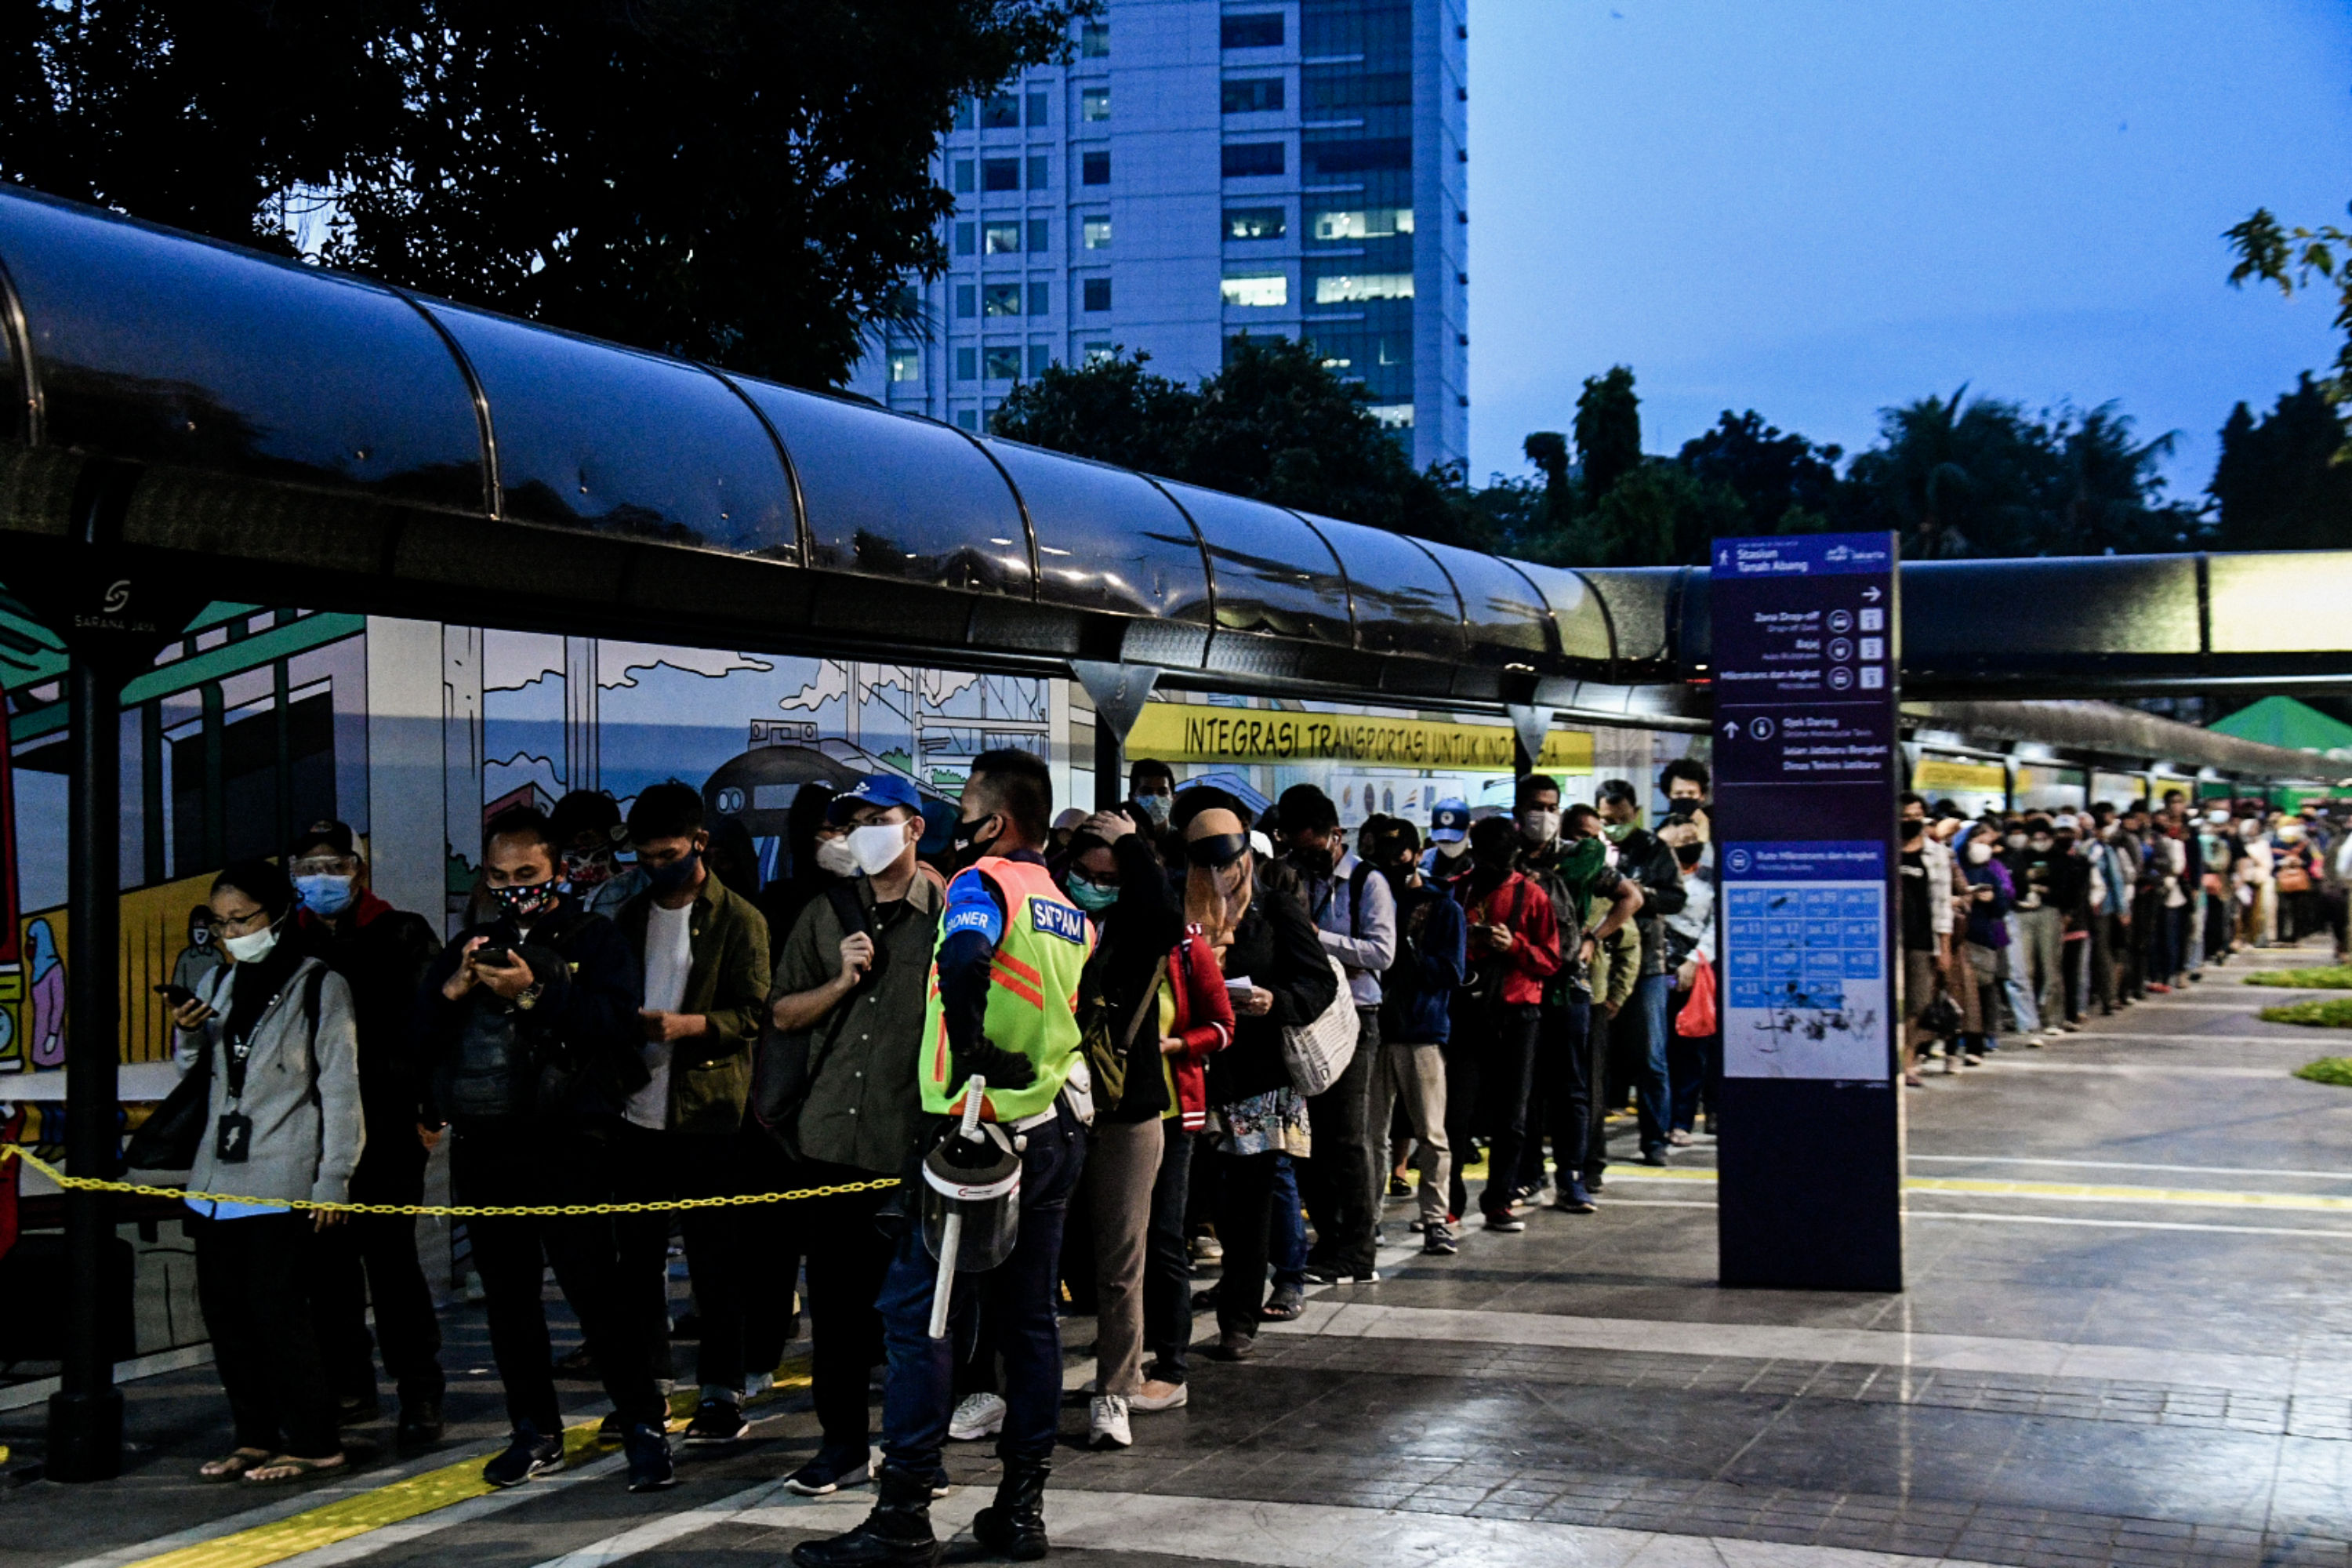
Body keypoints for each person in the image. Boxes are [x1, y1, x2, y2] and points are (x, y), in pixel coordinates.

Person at [793, 750, 1091, 1568]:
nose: (960, 820)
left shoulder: (980, 882)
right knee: (1030, 1323)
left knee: (919, 1318)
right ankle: (1020, 1509)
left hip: (973, 1133)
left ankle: (902, 1514)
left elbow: (964, 957)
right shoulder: (1065, 902)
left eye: (967, 805)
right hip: (1051, 1129)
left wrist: (969, 1049)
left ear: (995, 820)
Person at [411, 806, 673, 1494]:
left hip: (570, 1142)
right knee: (507, 1298)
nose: (513, 887)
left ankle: (642, 1423)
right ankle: (534, 1431)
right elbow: (418, 1036)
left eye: (527, 874)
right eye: (500, 876)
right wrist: (455, 987)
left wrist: (535, 992)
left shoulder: (596, 937)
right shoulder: (469, 943)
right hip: (485, 1143)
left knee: (595, 1290)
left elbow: (617, 1026)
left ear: (558, 870)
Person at [764, 772, 940, 1495]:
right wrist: (839, 983)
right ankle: (840, 1445)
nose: (862, 831)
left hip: (916, 1144)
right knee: (836, 1313)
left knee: (919, 1321)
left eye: (877, 817)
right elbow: (781, 1014)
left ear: (915, 827)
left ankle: (914, 1458)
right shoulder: (824, 914)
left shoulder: (956, 912)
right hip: (832, 1141)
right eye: (853, 821)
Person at [170, 858, 362, 1486]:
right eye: (221, 923)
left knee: (279, 1316)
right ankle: (253, 1436)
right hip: (215, 1182)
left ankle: (314, 1440)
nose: (231, 933)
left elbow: (340, 1089)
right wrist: (189, 1033)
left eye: (242, 919)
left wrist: (334, 1178)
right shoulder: (225, 982)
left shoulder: (319, 984)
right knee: (227, 1317)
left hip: (282, 1179)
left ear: (277, 914)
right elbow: (199, 1074)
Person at [1060, 808, 1232, 1449]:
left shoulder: (1143, 927)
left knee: (1124, 1257)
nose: (1094, 884)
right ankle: (1003, 1389)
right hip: (1053, 1103)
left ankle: (1115, 1391)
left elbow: (1163, 912)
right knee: (1045, 1255)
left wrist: (1134, 843)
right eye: (1084, 871)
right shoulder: (1054, 918)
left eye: (1109, 875)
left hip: (1130, 1108)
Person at [609, 782, 774, 1446]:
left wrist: (688, 1026)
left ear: (699, 843)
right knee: (638, 1261)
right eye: (644, 857)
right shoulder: (626, 917)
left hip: (709, 1111)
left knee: (715, 1261)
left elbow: (755, 1015)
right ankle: (648, 1388)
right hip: (635, 1109)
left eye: (667, 854)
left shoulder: (739, 919)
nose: (655, 867)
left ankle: (720, 1389)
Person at [287, 820, 448, 1446]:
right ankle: (349, 1388)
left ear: (360, 870)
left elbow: (436, 1027)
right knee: (326, 1269)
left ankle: (421, 1395)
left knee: (393, 1264)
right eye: (309, 866)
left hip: (386, 1126)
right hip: (312, 1132)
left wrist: (432, 1112)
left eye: (335, 865)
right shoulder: (285, 944)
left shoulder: (401, 933)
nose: (322, 878)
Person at [1195, 801, 1337, 1362]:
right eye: (1204, 864)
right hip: (1196, 1072)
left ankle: (1239, 1318)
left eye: (1228, 862)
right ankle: (1231, 1292)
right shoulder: (1182, 909)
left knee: (1251, 1202)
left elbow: (1318, 983)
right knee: (1205, 1201)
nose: (1219, 876)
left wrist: (1276, 1001)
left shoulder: (1276, 909)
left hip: (1257, 1074)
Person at [1277, 785, 1395, 1286]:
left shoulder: (1368, 883)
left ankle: (1359, 1249)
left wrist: (1316, 938)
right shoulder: (1290, 875)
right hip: (1305, 1017)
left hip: (1355, 1019)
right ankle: (1328, 1237)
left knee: (1349, 1138)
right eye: (1297, 850)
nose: (1307, 859)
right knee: (1311, 1140)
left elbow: (1382, 952)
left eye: (1314, 848)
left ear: (1336, 835)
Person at [1513, 782, 1641, 1214]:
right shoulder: (1506, 855)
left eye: (1552, 807)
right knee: (1523, 1087)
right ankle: (1527, 1175)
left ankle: (1572, 1176)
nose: (1544, 815)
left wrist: (1593, 936)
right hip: (1520, 986)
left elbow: (1631, 896)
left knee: (1572, 1086)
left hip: (1570, 984)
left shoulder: (1580, 856)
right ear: (1520, 809)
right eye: (1537, 806)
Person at [1447, 816, 1561, 1230]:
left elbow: (1550, 960)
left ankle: (1500, 1200)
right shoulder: (1456, 890)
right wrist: (1468, 941)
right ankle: (1450, 1203)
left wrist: (1514, 946)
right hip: (1467, 1013)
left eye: (1501, 858)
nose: (1493, 866)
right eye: (1485, 857)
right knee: (1454, 1116)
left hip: (1518, 1015)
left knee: (1512, 1116)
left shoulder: (1533, 896)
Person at [1366, 821, 1467, 1252]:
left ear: (1418, 852)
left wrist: (1405, 956)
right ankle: (1368, 1219)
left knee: (1431, 1133)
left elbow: (1452, 972)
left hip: (1420, 1029)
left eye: (1401, 853)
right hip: (1374, 1028)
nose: (1394, 862)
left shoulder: (1440, 906)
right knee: (1370, 1136)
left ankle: (1435, 1219)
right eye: (1384, 855)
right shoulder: (1369, 897)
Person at [1594, 779, 1686, 1165]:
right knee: (1596, 1058)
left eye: (1620, 817)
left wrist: (1640, 895)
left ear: (1635, 811)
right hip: (1600, 964)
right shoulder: (1593, 850)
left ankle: (1654, 1142)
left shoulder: (1654, 849)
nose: (1613, 824)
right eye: (1606, 818)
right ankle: (1589, 1147)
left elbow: (1675, 898)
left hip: (1645, 964)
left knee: (1651, 1056)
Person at [551, 789, 646, 920]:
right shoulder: (555, 898)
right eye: (568, 841)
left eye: (587, 838)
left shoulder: (636, 893)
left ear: (614, 836)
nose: (579, 849)